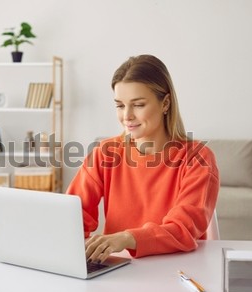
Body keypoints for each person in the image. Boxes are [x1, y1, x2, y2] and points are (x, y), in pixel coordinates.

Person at [66, 54, 220, 263]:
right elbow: (73, 215)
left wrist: (127, 238)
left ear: (165, 103)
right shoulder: (105, 153)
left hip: (177, 269)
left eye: (138, 105)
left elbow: (183, 228)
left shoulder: (197, 158)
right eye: (120, 105)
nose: (127, 116)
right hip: (118, 269)